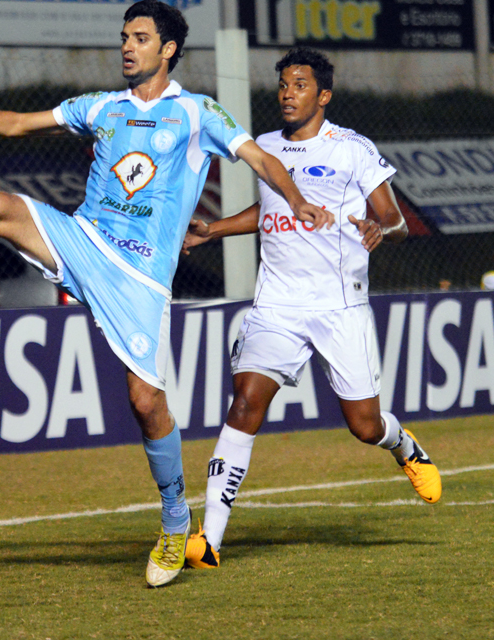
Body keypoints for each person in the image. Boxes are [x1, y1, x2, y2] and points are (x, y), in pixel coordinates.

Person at [0, 2, 332, 587]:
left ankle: (175, 521)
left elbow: (261, 158)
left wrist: (295, 199)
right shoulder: (102, 107)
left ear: (167, 49)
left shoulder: (197, 114)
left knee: (146, 404)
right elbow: (18, 124)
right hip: (82, 240)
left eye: (141, 38)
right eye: (124, 37)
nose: (127, 47)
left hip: (139, 278)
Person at [182, 48, 442, 570]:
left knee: (364, 426)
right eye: (282, 84)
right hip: (277, 303)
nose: (286, 93)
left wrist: (379, 227)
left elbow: (394, 217)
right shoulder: (268, 149)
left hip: (339, 305)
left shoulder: (352, 149)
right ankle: (208, 539)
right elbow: (268, 210)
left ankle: (402, 444)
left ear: (323, 95)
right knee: (245, 402)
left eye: (299, 84)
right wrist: (214, 229)